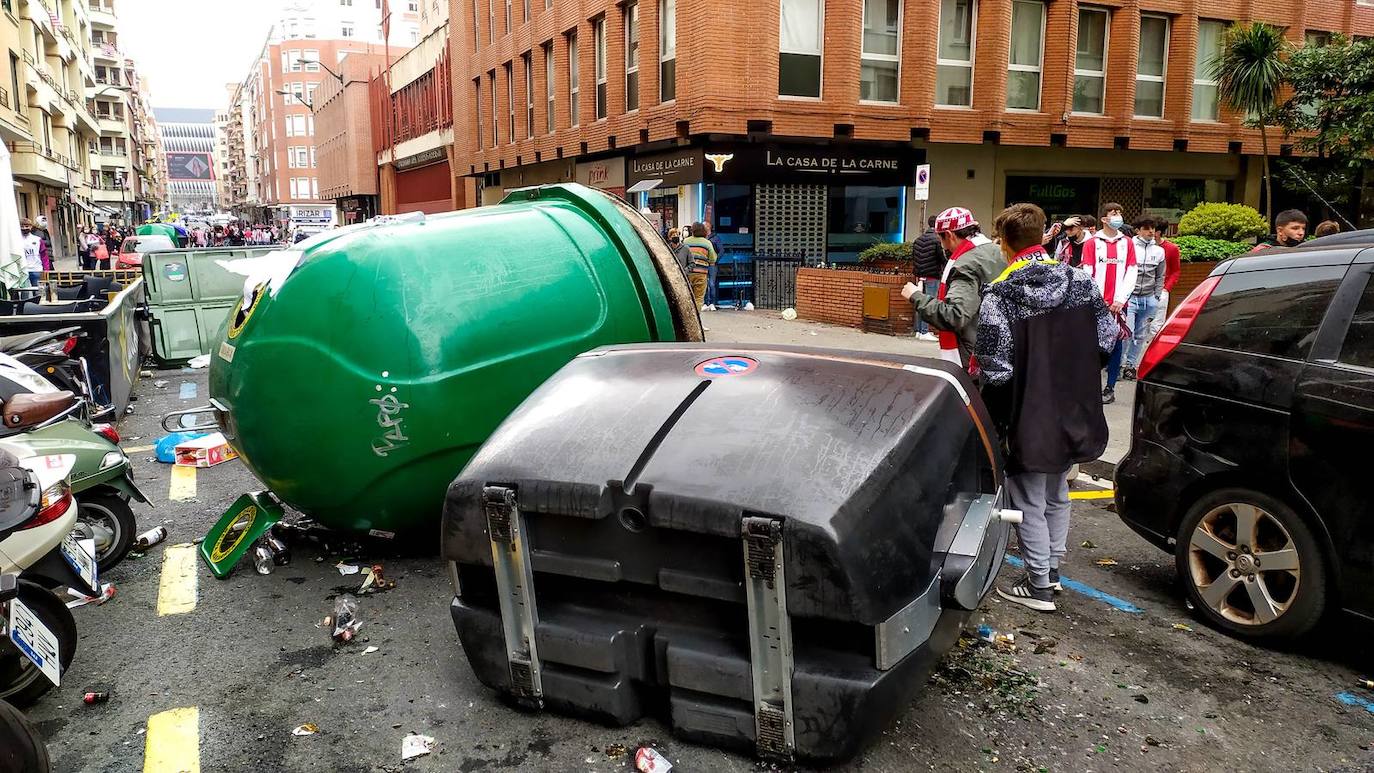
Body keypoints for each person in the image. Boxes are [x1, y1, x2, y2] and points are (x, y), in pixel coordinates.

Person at [975, 203, 1116, 612]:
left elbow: (995, 368)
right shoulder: (1081, 281)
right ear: (1042, 236)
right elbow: (1106, 340)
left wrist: (998, 420)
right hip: (1074, 405)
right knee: (1058, 491)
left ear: (1004, 243)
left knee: (1026, 499)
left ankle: (1038, 586)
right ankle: (1051, 572)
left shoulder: (1000, 294)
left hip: (1027, 411)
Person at [900, 207, 1005, 372]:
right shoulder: (997, 252)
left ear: (949, 234)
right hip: (1001, 347)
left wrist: (916, 296)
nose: (944, 247)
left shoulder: (966, 264)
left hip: (973, 355)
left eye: (941, 239)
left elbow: (954, 315)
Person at [1081, 203, 1137, 404]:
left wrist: (1120, 300)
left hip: (1119, 306)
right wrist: (1098, 300)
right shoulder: (1092, 243)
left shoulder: (1128, 243)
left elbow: (1132, 272)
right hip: (1097, 306)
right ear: (1104, 219)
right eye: (1114, 214)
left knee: (1116, 346)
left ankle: (1110, 387)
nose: (1118, 217)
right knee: (1093, 347)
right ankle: (1090, 387)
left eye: (1120, 213)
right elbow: (1087, 273)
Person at [1119, 217, 1166, 382]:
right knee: (1127, 332)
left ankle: (1131, 366)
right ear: (1137, 230)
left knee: (1141, 335)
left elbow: (1160, 275)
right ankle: (1120, 364)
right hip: (1130, 298)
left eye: (1152, 228)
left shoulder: (1159, 251)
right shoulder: (1129, 247)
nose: (1151, 232)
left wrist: (1157, 295)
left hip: (1149, 298)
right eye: (1146, 228)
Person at [910, 215, 946, 342]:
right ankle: (925, 331)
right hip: (932, 275)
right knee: (928, 303)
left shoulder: (918, 239)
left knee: (920, 302)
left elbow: (914, 257)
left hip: (920, 276)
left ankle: (919, 331)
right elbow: (942, 258)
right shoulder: (937, 240)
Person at [1150, 225, 1183, 339]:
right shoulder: (1143, 247)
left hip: (1162, 289)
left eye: (1152, 229)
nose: (1150, 232)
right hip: (1144, 289)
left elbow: (1175, 270)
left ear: (1158, 232)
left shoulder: (1171, 248)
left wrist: (1166, 288)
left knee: (1157, 322)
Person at [682, 223, 717, 311]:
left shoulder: (686, 242)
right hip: (701, 274)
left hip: (687, 273)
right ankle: (695, 317)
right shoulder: (707, 243)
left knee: (687, 297)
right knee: (698, 298)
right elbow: (713, 259)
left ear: (692, 231)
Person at [703, 221, 723, 311]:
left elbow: (721, 250)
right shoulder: (702, 238)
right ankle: (705, 303)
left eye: (704, 226)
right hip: (703, 263)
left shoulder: (715, 238)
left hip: (712, 264)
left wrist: (715, 260)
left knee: (711, 284)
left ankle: (712, 303)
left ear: (709, 227)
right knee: (704, 284)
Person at [19, 219, 44, 288]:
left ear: (31, 227)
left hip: (36, 269)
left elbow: (44, 255)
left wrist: (46, 269)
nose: (24, 228)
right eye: (22, 226)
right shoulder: (17, 240)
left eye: (27, 226)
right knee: (24, 292)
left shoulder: (37, 239)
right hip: (22, 270)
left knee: (38, 291)